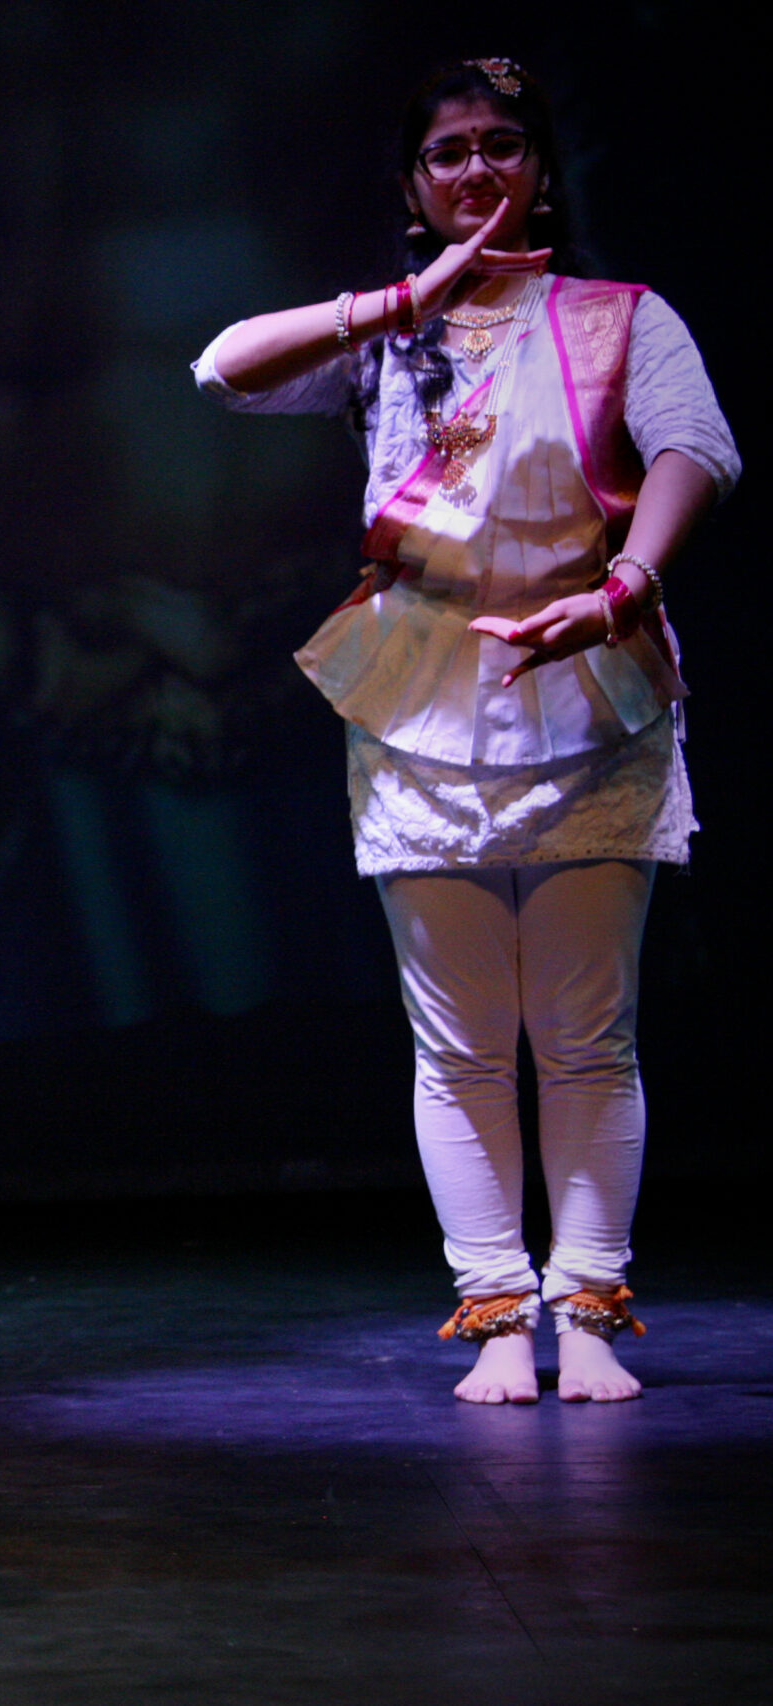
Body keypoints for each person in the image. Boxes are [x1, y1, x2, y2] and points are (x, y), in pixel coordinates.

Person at [192, 59, 738, 1404]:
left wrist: (625, 586)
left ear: (544, 170)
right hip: (420, 705)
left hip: (592, 687)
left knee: (586, 1034)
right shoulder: (387, 332)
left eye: (504, 147)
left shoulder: (619, 317)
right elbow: (221, 370)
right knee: (457, 1040)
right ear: (414, 186)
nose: (478, 170)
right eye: (449, 154)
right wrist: (401, 299)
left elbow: (695, 451)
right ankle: (497, 1311)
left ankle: (591, 1311)